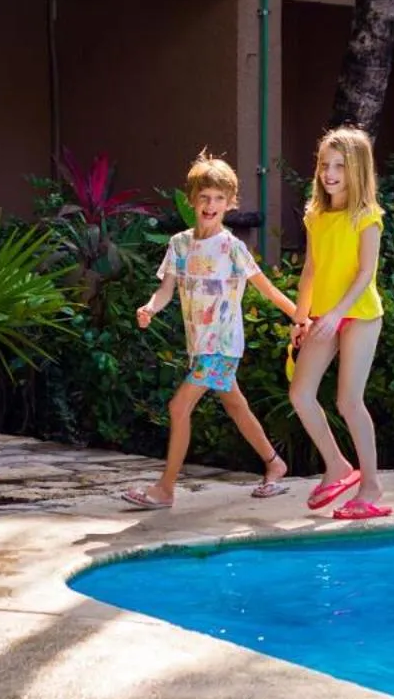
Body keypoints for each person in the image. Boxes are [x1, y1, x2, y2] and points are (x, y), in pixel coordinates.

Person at [124, 151, 301, 510]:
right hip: (199, 345)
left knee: (178, 407)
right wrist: (150, 308)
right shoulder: (179, 245)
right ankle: (274, 463)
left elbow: (266, 289)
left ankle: (165, 489)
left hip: (222, 344)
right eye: (204, 197)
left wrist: (302, 317)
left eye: (219, 199)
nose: (211, 205)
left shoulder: (233, 248)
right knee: (236, 406)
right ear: (192, 200)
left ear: (230, 203)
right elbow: (165, 290)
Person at [289, 126, 391, 520]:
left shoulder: (368, 217)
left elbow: (366, 273)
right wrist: (302, 317)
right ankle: (338, 466)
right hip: (323, 316)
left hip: (360, 314)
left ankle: (371, 484)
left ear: (357, 171)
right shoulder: (316, 216)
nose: (329, 174)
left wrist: (336, 313)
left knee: (348, 400)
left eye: (339, 167)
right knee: (300, 394)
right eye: (324, 165)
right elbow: (311, 272)